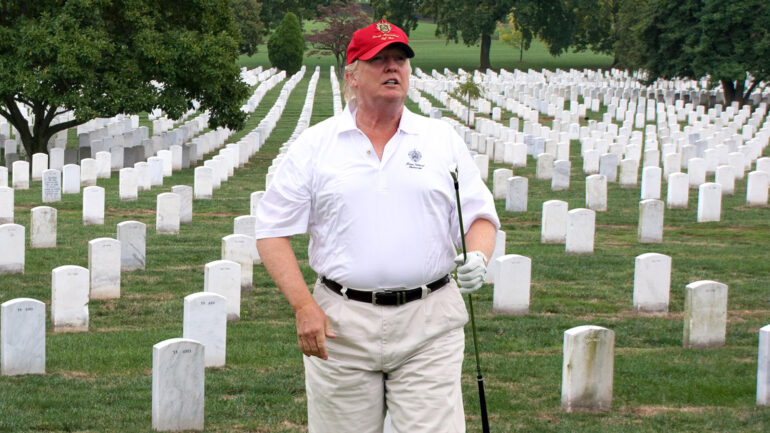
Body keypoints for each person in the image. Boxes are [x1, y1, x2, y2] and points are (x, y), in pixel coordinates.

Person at [255, 19, 499, 433]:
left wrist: (478, 253)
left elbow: (479, 215)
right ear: (351, 74)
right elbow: (271, 231)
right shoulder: (317, 146)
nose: (393, 68)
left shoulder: (440, 140)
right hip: (341, 325)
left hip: (429, 321)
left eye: (400, 59)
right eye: (380, 60)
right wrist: (303, 306)